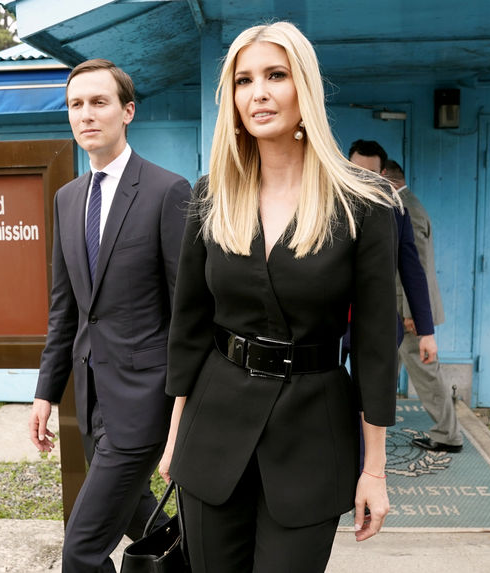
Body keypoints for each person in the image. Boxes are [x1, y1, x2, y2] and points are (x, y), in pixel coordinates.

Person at [158, 22, 398, 572]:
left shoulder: (364, 204)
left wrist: (375, 469)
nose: (258, 92)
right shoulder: (210, 196)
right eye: (244, 81)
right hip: (212, 433)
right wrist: (175, 438)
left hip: (313, 438)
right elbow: (189, 329)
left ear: (304, 88)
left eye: (275, 75)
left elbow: (375, 347)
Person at [28, 58, 192, 572]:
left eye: (99, 102)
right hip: (91, 397)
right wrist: (44, 392)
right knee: (141, 520)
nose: (85, 115)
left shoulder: (168, 191)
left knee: (80, 550)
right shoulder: (67, 198)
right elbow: (67, 309)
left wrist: (184, 417)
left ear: (128, 111)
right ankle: (209, 552)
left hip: (146, 402)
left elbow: (188, 311)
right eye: (76, 105)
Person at [384, 159, 463, 452]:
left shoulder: (406, 208)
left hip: (408, 315)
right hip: (400, 312)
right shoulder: (408, 204)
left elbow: (414, 267)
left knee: (427, 377)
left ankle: (447, 435)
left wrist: (411, 313)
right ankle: (372, 428)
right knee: (385, 373)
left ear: (385, 177)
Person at [348, 139, 435, 349]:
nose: (362, 179)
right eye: (356, 171)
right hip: (329, 326)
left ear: (382, 174)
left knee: (376, 383)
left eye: (370, 173)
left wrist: (426, 332)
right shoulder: (325, 208)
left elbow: (412, 270)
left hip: (379, 326)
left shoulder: (397, 214)